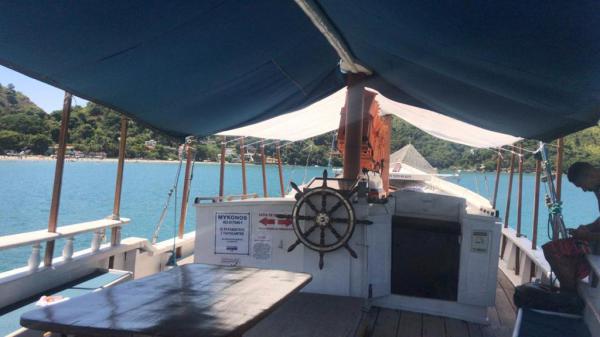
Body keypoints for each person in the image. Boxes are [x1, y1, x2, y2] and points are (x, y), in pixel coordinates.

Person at [567, 162, 600, 241]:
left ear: (591, 175)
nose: (584, 190)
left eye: (582, 185)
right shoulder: (596, 186)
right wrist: (588, 228)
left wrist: (589, 236)